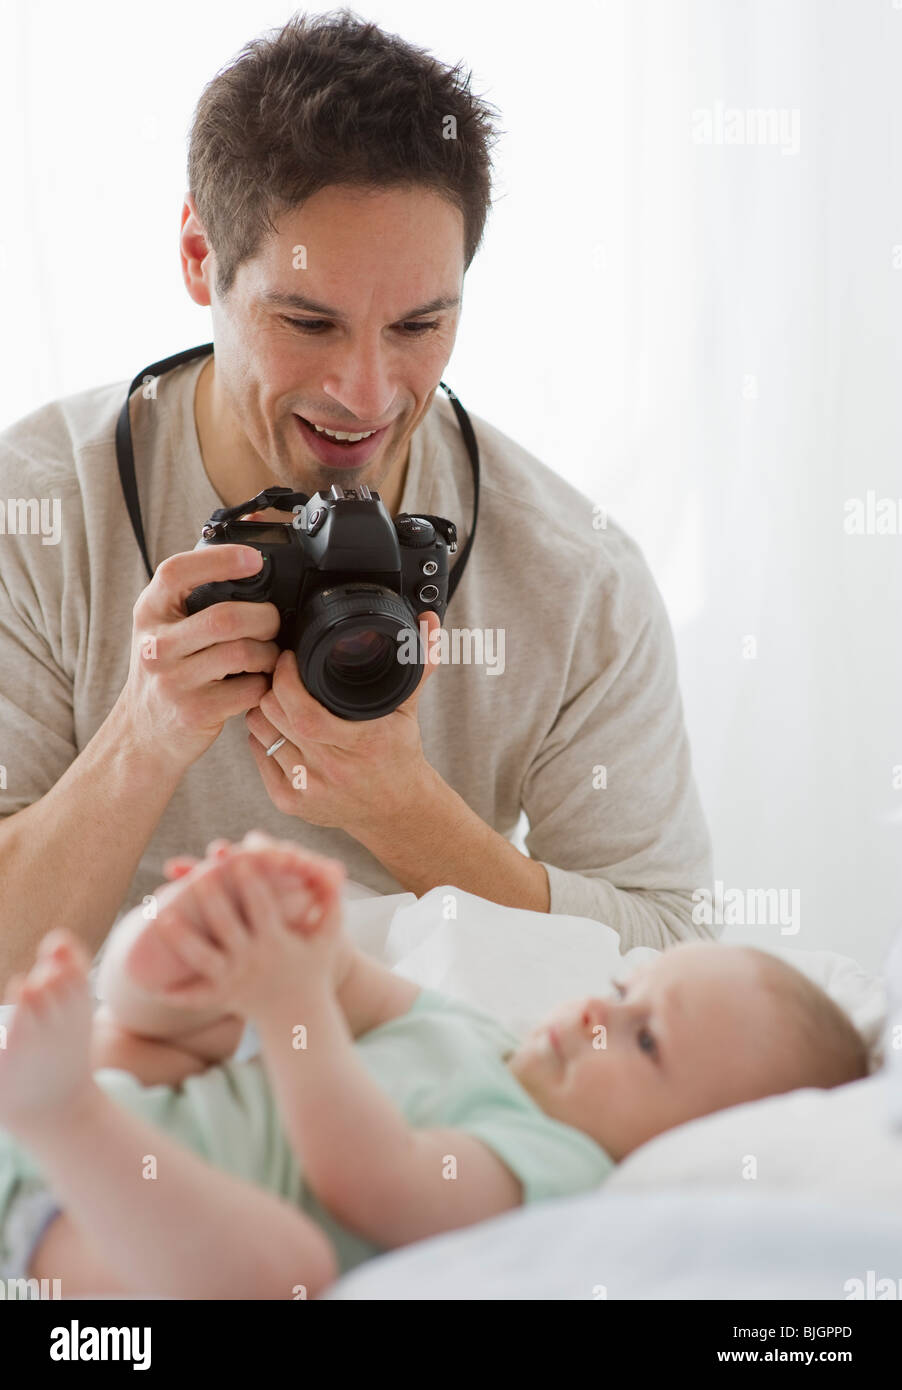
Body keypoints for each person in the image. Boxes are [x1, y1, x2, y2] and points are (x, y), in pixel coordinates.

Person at [0, 12, 712, 990]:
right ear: (200, 256)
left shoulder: (573, 576)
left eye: (420, 323)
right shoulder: (33, 514)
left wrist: (401, 807)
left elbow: (676, 961)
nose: (368, 394)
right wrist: (145, 736)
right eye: (308, 321)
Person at [0, 830, 867, 1299]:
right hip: (142, 1096)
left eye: (643, 1040)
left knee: (285, 1274)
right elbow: (349, 980)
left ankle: (58, 1115)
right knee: (172, 1010)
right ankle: (143, 976)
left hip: (93, 1210)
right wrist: (276, 921)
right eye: (623, 987)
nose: (600, 1010)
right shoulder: (475, 1034)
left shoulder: (555, 1164)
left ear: (691, 1136)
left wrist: (293, 1003)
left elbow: (374, 1179)